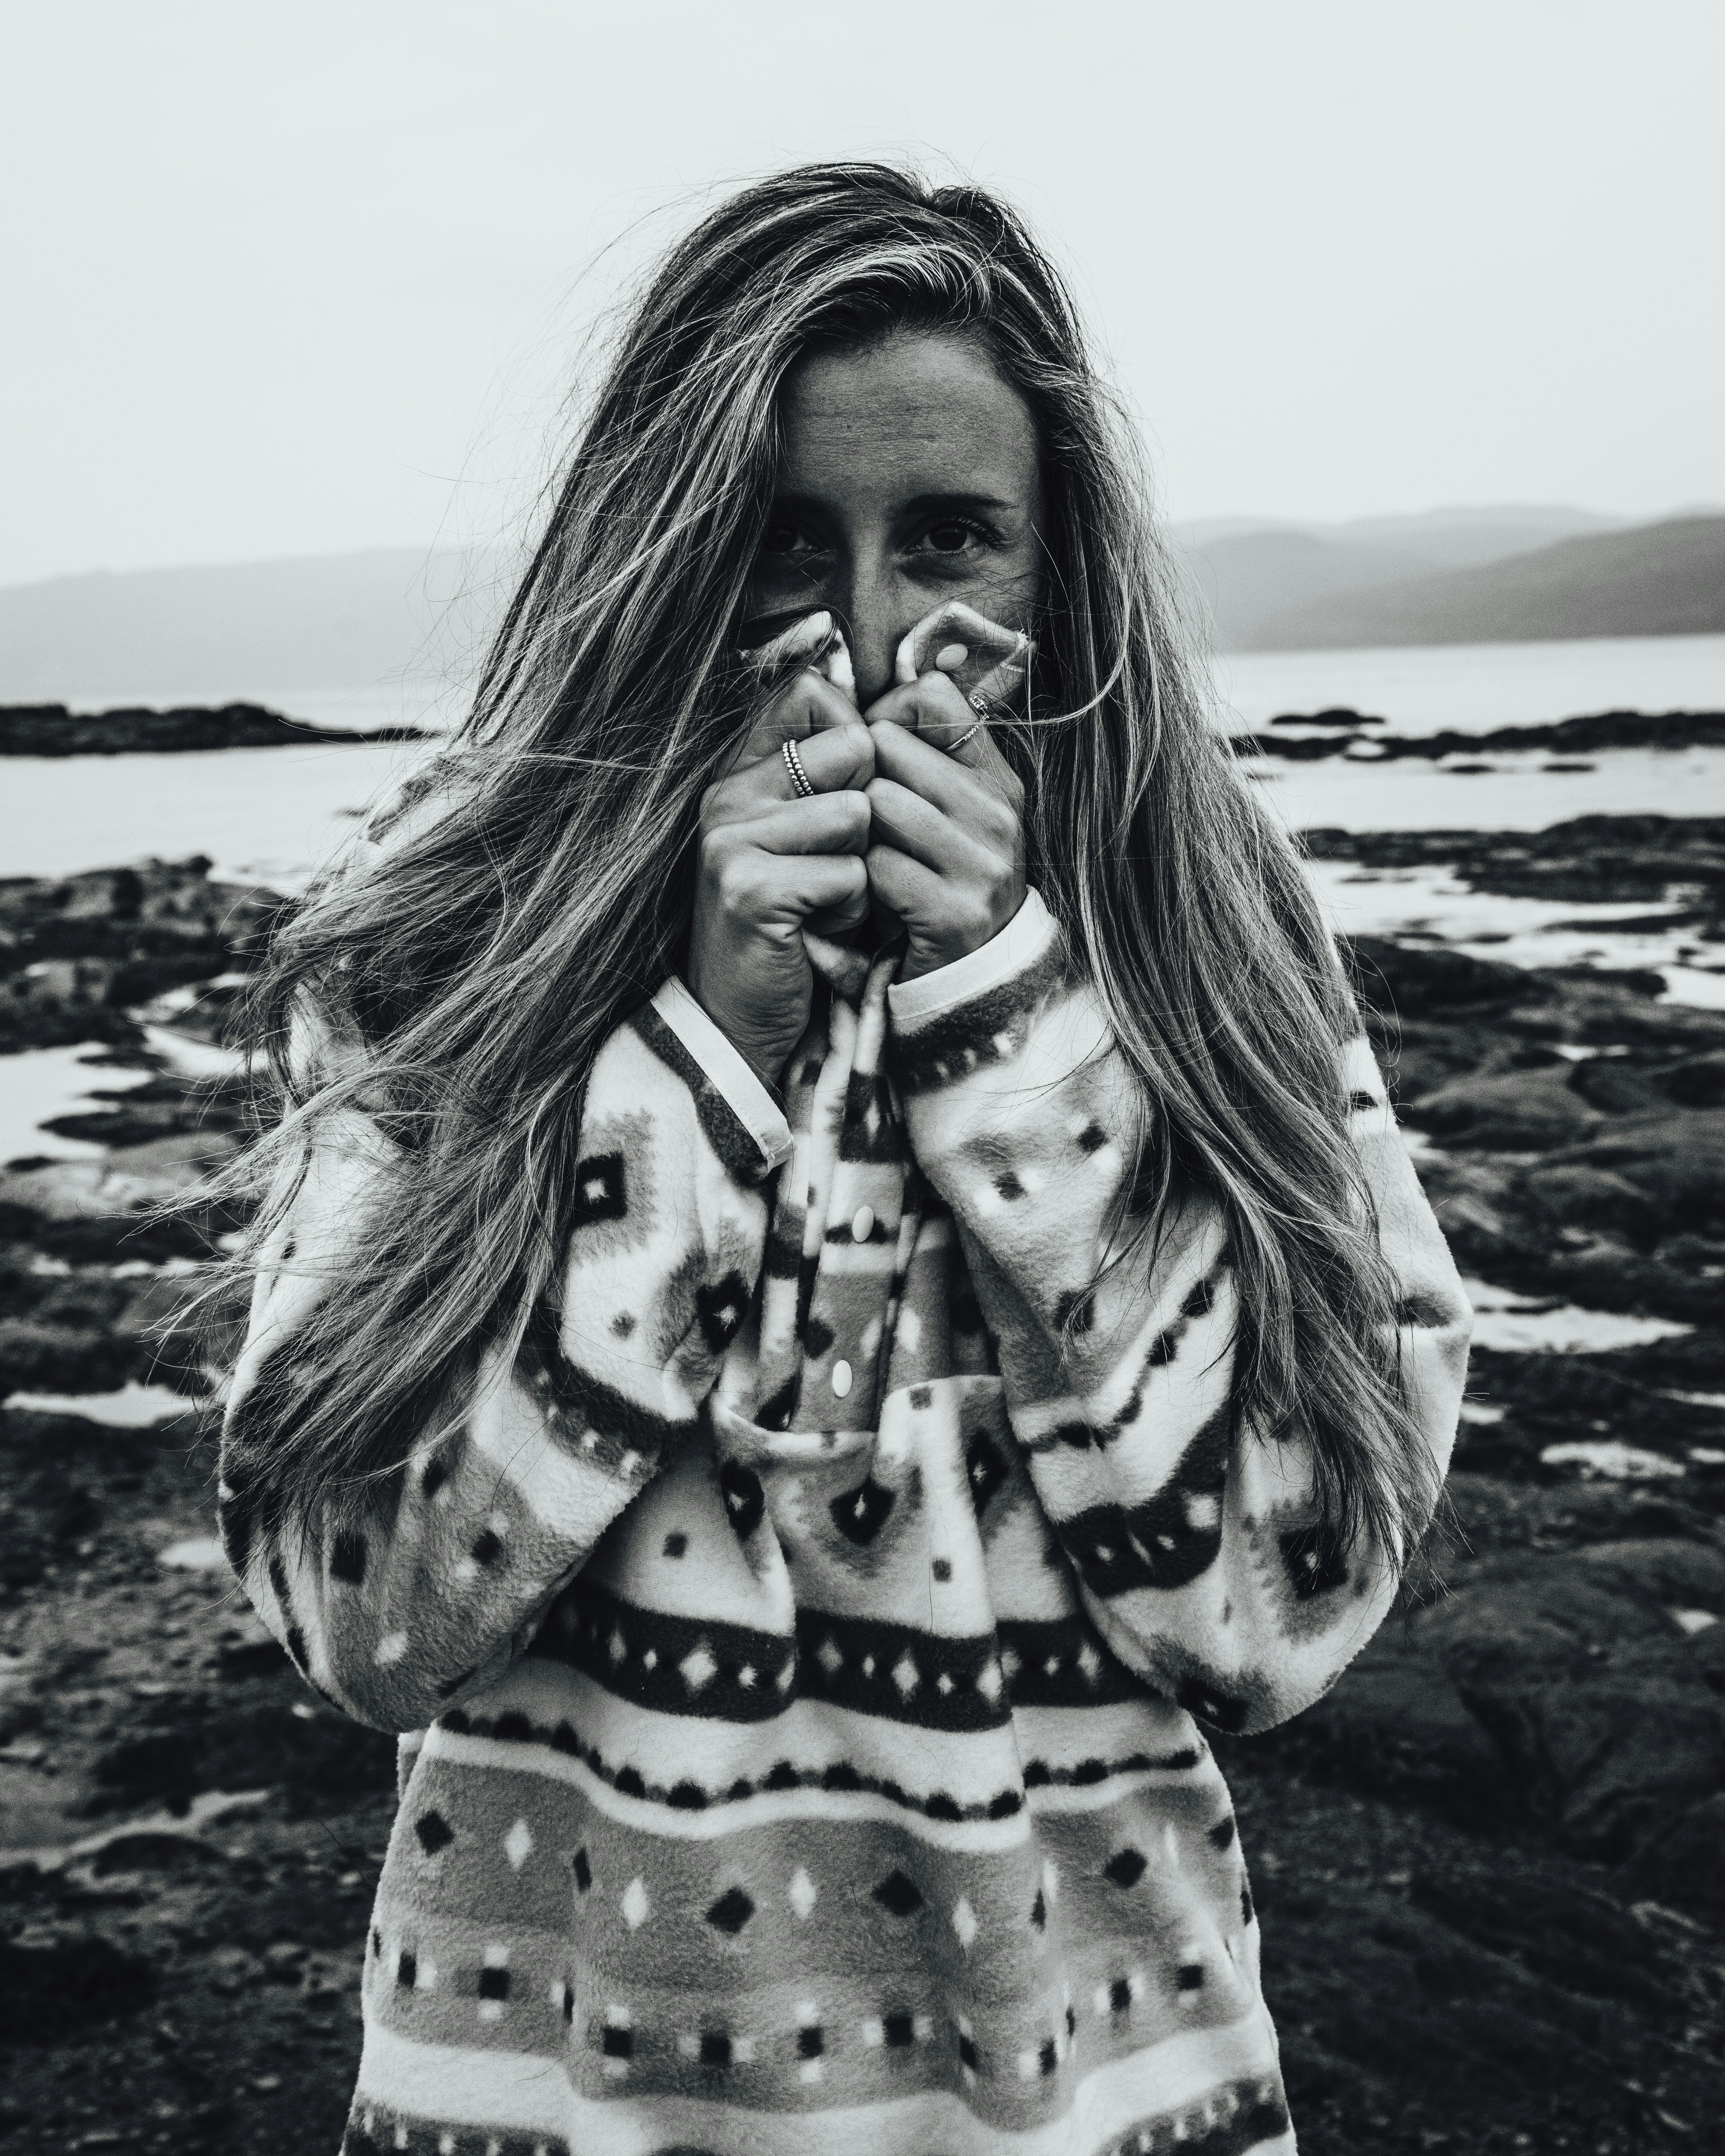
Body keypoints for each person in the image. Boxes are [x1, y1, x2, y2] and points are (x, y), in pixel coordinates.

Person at [216, 163, 1471, 2156]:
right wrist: (701, 1053)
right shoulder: (442, 941)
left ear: (1062, 569)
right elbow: (356, 1606)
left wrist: (1006, 1013)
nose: (876, 638)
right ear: (668, 552)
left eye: (950, 539)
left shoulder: (1214, 937)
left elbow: (1287, 1605)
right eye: (788, 546)